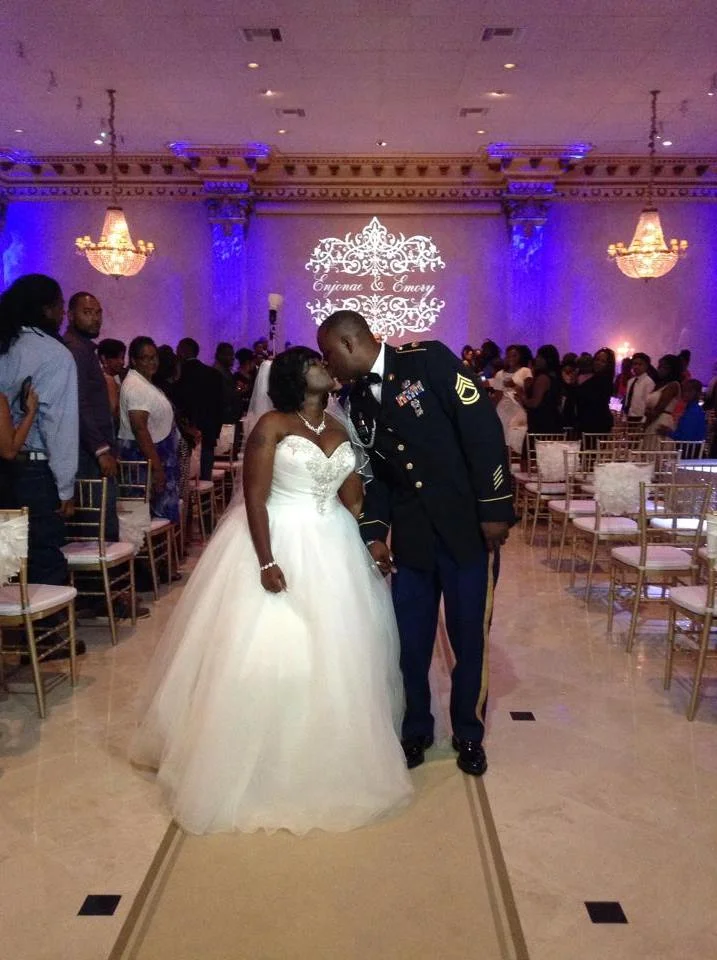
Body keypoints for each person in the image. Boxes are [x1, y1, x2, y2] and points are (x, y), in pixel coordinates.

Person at [131, 347, 412, 835]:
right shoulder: (273, 426)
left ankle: (328, 753)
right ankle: (256, 759)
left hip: (335, 545)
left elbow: (352, 497)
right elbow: (255, 497)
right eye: (315, 363)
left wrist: (375, 535)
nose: (326, 366)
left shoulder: (339, 428)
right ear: (296, 377)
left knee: (340, 649)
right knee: (274, 647)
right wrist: (266, 558)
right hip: (279, 537)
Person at [317, 312, 514, 777]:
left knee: (469, 639)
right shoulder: (358, 403)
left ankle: (468, 733)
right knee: (411, 642)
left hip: (466, 530)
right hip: (414, 540)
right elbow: (378, 478)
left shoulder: (429, 362)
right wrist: (373, 531)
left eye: (328, 355)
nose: (329, 367)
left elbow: (483, 432)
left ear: (348, 343)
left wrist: (495, 508)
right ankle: (416, 730)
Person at [0, 274, 78, 586]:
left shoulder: (5, 343)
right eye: (60, 306)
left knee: (6, 554)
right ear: (46, 309)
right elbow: (58, 424)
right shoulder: (54, 355)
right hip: (31, 466)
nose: (63, 315)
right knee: (43, 550)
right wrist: (65, 485)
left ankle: (15, 632)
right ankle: (49, 630)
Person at [64, 293, 119, 542]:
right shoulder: (75, 350)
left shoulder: (85, 349)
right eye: (88, 312)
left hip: (93, 449)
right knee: (97, 527)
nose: (95, 318)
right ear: (70, 315)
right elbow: (80, 403)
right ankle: (100, 581)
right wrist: (100, 448)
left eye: (98, 312)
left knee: (102, 522)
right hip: (88, 453)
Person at [118, 337, 180, 524]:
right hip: (146, 458)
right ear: (134, 360)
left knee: (161, 517)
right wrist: (157, 467)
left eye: (154, 357)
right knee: (152, 517)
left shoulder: (144, 383)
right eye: (145, 358)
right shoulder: (136, 387)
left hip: (157, 455)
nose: (152, 362)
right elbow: (139, 428)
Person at [173, 338, 224, 481]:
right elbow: (219, 405)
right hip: (209, 429)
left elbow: (179, 403)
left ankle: (188, 502)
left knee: (186, 476)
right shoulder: (213, 374)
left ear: (183, 351)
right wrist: (216, 430)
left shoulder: (179, 374)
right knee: (205, 475)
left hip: (188, 430)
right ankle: (206, 502)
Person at [491, 344, 533, 454]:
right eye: (509, 355)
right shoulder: (500, 374)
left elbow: (529, 390)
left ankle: (517, 465)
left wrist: (514, 385)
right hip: (503, 409)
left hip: (518, 406)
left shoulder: (525, 371)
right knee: (503, 438)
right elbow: (498, 395)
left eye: (515, 355)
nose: (511, 358)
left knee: (517, 436)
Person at [516, 343, 563, 435]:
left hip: (542, 423)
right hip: (552, 419)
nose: (536, 359)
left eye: (539, 357)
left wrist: (522, 397)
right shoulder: (555, 376)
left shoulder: (543, 378)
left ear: (546, 360)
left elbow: (535, 403)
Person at [575, 347, 615, 438]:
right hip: (587, 421)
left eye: (603, 361)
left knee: (591, 450)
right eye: (597, 359)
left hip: (597, 423)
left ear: (608, 364)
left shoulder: (605, 381)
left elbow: (592, 401)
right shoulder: (591, 377)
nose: (598, 363)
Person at [644, 354, 682, 445]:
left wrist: (646, 416)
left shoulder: (673, 385)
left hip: (661, 421)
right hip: (651, 420)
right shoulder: (660, 384)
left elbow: (658, 409)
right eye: (659, 366)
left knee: (656, 450)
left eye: (663, 367)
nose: (659, 369)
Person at [97, 338, 126, 424]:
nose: (122, 362)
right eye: (117, 357)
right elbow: (113, 411)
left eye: (123, 357)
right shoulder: (108, 380)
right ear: (104, 358)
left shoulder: (100, 376)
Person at [671, 379, 707, 443]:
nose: (685, 393)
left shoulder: (694, 411)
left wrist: (668, 432)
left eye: (689, 391)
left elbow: (686, 439)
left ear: (698, 393)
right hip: (689, 447)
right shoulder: (691, 408)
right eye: (684, 390)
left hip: (690, 450)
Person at [623, 353, 655, 423]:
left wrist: (644, 421)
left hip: (639, 418)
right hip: (628, 416)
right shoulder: (630, 381)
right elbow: (628, 401)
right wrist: (624, 417)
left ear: (646, 366)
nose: (636, 367)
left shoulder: (648, 382)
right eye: (634, 364)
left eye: (640, 364)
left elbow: (648, 404)